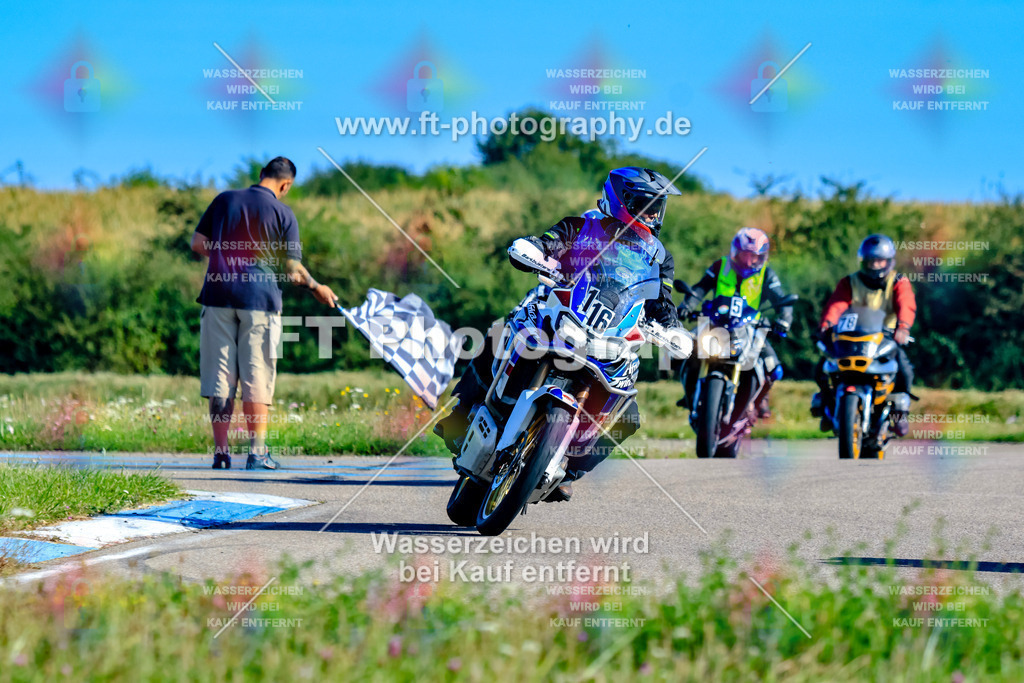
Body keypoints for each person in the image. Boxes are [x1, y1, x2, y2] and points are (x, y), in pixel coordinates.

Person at [436, 167, 683, 501]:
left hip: (609, 334)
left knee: (630, 414)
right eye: (645, 204)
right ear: (622, 200)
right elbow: (547, 243)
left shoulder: (659, 256)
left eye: (658, 206)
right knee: (501, 333)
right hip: (558, 307)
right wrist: (534, 250)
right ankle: (460, 415)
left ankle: (566, 468)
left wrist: (673, 328)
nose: (653, 213)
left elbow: (662, 301)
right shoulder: (582, 226)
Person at [191, 157, 338, 470]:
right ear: (285, 185)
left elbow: (198, 243)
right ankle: (256, 454)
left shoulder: (224, 200)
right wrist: (317, 287)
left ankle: (221, 454)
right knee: (257, 375)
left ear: (260, 176)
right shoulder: (283, 213)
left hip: (218, 297)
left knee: (221, 379)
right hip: (260, 301)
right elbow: (293, 270)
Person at [676, 227, 793, 419]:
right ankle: (690, 394)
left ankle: (758, 401)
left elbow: (782, 302)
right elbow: (699, 289)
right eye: (745, 255)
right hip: (715, 323)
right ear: (735, 252)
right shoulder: (720, 266)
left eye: (754, 257)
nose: (749, 261)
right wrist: (687, 305)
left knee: (774, 369)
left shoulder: (767, 275)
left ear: (763, 257)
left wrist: (784, 320)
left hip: (751, 328)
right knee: (686, 350)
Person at [811, 234, 916, 434]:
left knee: (904, 370)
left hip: (885, 339)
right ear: (864, 261)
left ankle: (899, 414)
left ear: (889, 262)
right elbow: (837, 304)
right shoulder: (850, 282)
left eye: (880, 261)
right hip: (850, 338)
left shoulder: (899, 281)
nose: (876, 265)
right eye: (871, 261)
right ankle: (827, 408)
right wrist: (826, 325)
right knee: (823, 368)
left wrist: (903, 327)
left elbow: (906, 304)